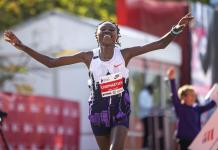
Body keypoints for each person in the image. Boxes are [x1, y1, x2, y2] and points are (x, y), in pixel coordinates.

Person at [3, 13, 193, 150]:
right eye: (103, 30)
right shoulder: (88, 57)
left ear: (117, 36)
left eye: (112, 29)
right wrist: (22, 46)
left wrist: (177, 28)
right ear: (97, 36)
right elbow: (52, 63)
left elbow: (160, 45)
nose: (108, 31)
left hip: (120, 110)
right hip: (97, 112)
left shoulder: (125, 54)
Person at [166, 67, 217, 150]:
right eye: (191, 95)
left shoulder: (197, 108)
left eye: (194, 95)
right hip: (184, 141)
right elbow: (174, 96)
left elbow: (211, 104)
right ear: (183, 97)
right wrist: (172, 79)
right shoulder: (180, 108)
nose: (193, 96)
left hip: (196, 140)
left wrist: (216, 94)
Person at [137, 84, 154, 149]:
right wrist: (151, 108)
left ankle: (148, 145)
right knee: (147, 131)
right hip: (145, 115)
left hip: (149, 115)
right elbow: (143, 105)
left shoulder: (149, 94)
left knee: (149, 131)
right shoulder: (144, 94)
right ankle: (144, 146)